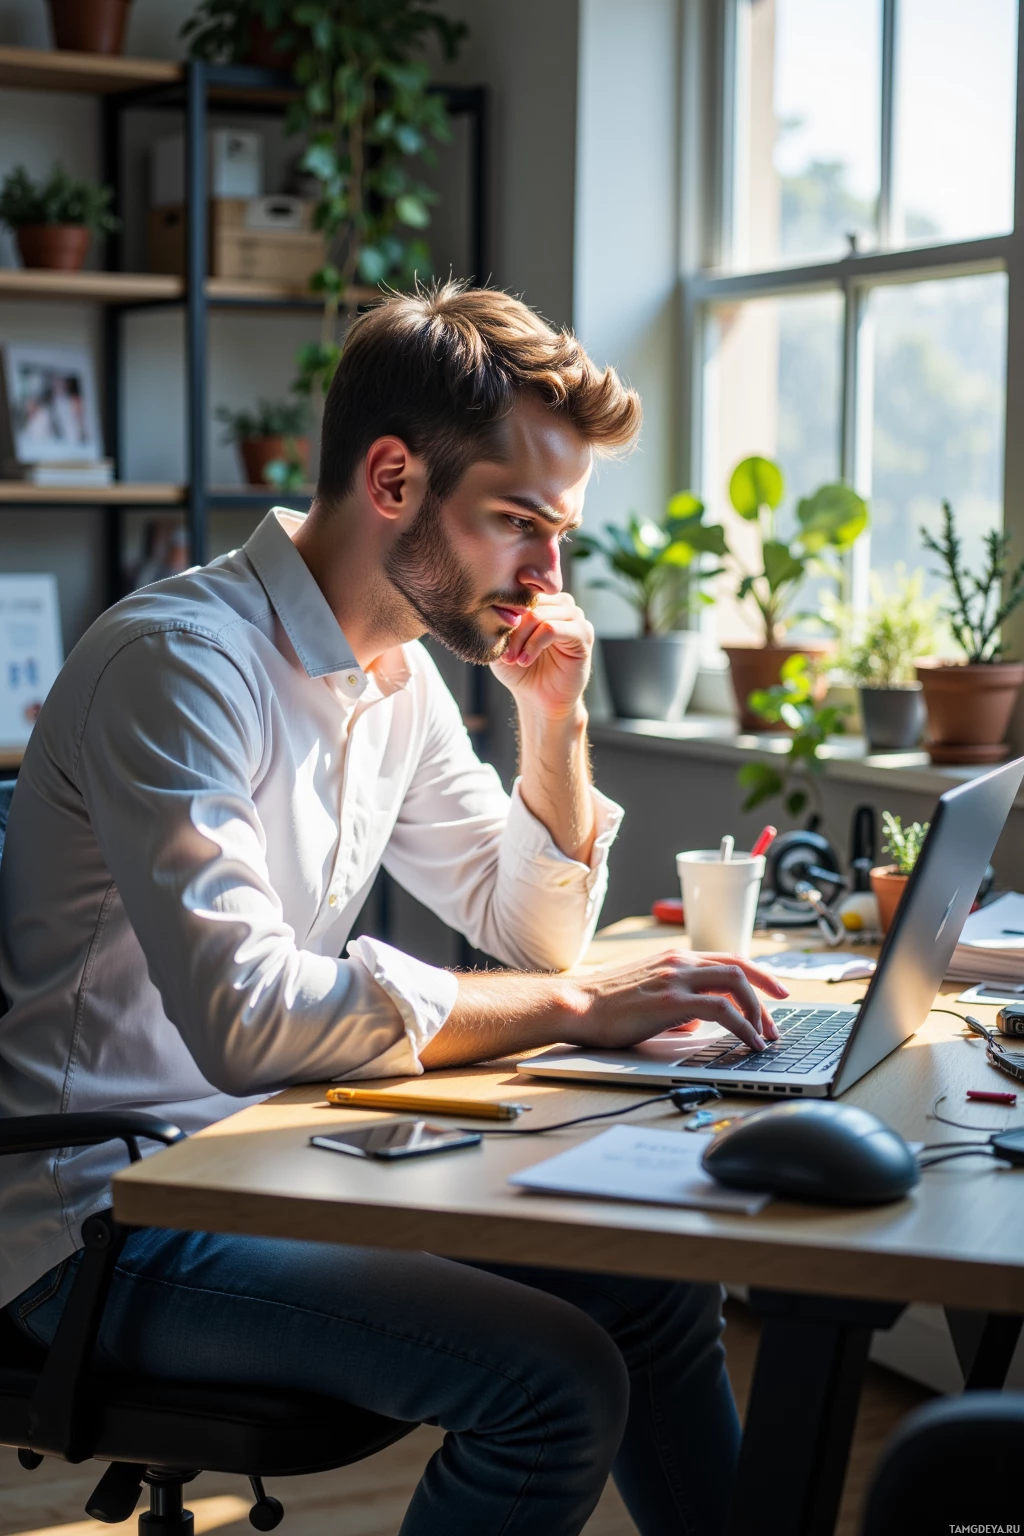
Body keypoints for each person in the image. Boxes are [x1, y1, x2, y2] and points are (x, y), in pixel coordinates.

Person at [0, 283, 787, 1536]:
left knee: (648, 1289)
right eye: (519, 522)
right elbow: (247, 1021)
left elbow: (530, 934)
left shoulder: (398, 672)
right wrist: (578, 1009)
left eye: (562, 533)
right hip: (103, 1219)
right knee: (557, 1380)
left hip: (258, 1165)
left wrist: (554, 720)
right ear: (391, 480)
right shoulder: (182, 666)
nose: (550, 574)